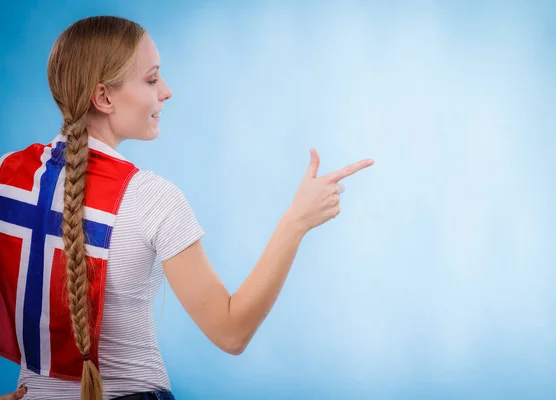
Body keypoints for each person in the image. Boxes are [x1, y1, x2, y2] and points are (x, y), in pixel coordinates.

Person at [0, 15, 374, 400]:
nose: (166, 91)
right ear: (104, 97)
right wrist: (296, 221)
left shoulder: (6, 175)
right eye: (151, 79)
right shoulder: (150, 197)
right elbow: (231, 332)